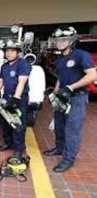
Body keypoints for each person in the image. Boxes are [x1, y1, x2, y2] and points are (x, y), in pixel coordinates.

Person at [43, 26, 97, 172]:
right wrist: (55, 92)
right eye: (58, 39)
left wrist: (71, 87)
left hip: (76, 98)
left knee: (72, 129)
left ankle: (68, 159)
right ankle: (59, 148)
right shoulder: (60, 58)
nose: (60, 42)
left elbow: (92, 75)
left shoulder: (81, 55)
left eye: (64, 39)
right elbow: (61, 78)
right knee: (59, 126)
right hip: (62, 97)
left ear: (72, 40)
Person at [0, 39, 31, 160]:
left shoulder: (23, 64)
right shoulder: (4, 66)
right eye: (7, 50)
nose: (9, 53)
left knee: (18, 124)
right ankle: (7, 142)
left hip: (19, 98)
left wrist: (15, 98)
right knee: (6, 123)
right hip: (6, 97)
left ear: (17, 52)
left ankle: (19, 149)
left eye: (12, 50)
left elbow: (22, 82)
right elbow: (0, 81)